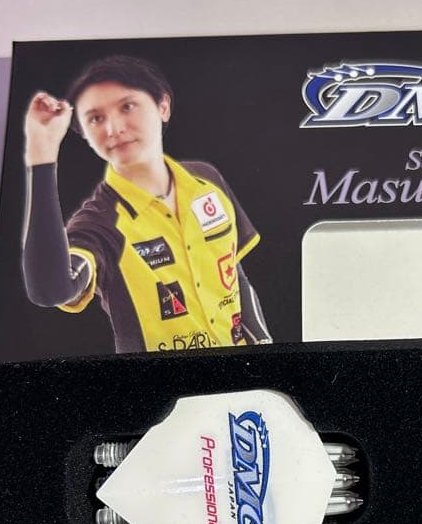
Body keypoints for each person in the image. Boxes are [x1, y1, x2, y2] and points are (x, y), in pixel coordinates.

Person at [21, 56, 272, 353]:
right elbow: (50, 290)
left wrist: (264, 347)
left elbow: (234, 274)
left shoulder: (207, 179)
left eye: (127, 106)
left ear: (163, 106)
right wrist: (42, 154)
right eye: (96, 118)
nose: (113, 128)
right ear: (86, 135)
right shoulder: (98, 223)